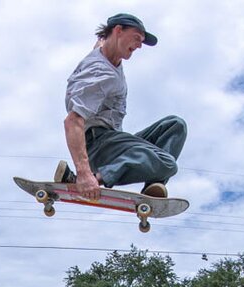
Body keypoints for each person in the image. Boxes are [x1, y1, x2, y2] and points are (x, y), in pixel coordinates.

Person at [57, 13, 187, 201]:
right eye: (136, 38)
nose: (139, 46)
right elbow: (73, 121)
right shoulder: (100, 74)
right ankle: (94, 178)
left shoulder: (106, 50)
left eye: (142, 41)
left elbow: (101, 41)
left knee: (175, 125)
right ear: (119, 31)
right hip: (98, 145)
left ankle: (153, 184)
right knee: (168, 164)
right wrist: (83, 173)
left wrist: (103, 37)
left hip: (112, 141)